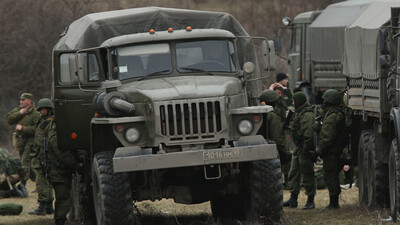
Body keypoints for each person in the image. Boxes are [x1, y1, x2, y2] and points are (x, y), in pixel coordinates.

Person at [44, 108, 79, 225]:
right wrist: (76, 164)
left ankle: (61, 219)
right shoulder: (55, 134)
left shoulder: (56, 131)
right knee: (63, 198)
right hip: (57, 172)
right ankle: (60, 220)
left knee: (63, 198)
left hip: (60, 171)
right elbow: (61, 154)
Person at [283, 92, 316, 210]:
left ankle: (310, 201)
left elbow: (309, 136)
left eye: (294, 101)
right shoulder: (299, 113)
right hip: (299, 148)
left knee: (307, 174)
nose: (292, 103)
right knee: (294, 173)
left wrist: (306, 150)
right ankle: (293, 199)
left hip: (305, 148)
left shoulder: (307, 115)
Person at [316, 89, 346, 210]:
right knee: (330, 174)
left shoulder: (332, 116)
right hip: (335, 149)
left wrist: (319, 149)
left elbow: (327, 136)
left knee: (330, 175)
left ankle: (334, 203)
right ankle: (333, 202)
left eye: (325, 100)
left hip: (332, 150)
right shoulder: (334, 113)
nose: (324, 102)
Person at [6, 93, 40, 186]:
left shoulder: (36, 113)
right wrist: (20, 113)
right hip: (20, 141)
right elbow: (9, 119)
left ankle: (23, 185)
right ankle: (39, 181)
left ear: (29, 101)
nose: (21, 102)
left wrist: (23, 129)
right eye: (20, 100)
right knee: (29, 165)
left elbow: (37, 129)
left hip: (30, 141)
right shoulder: (19, 110)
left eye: (23, 100)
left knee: (25, 162)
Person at [28, 98, 55, 215]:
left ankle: (43, 206)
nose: (44, 111)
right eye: (42, 109)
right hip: (39, 154)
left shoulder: (50, 122)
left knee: (42, 181)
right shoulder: (41, 121)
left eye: (46, 109)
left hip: (45, 155)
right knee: (45, 180)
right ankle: (48, 206)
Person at [259, 90, 291, 166]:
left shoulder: (261, 113)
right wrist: (283, 150)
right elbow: (276, 135)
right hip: (273, 150)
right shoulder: (272, 115)